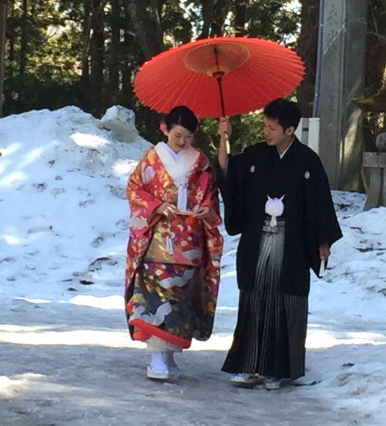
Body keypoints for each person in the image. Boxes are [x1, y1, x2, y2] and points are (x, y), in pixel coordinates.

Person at [218, 97, 342, 391]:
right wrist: (224, 138)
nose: (266, 132)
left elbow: (320, 203)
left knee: (285, 303)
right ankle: (249, 365)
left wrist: (323, 241)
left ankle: (278, 369)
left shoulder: (307, 161)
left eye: (272, 127)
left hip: (293, 246)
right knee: (254, 301)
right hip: (259, 241)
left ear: (290, 129)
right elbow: (226, 173)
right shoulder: (255, 157)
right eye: (264, 126)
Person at [125, 105, 223, 381]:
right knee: (156, 295)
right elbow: (134, 188)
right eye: (178, 135)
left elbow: (210, 192)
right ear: (165, 129)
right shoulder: (151, 159)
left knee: (181, 298)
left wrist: (206, 208)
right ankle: (155, 356)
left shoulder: (200, 161)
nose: (182, 142)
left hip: (189, 237)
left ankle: (168, 355)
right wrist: (155, 205)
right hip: (157, 238)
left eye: (188, 137)